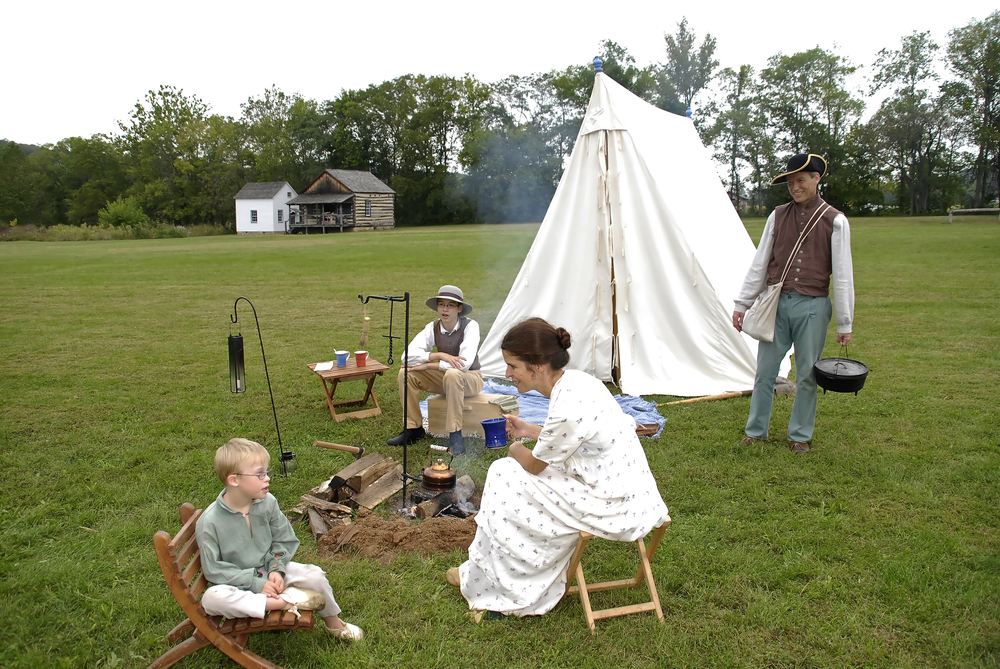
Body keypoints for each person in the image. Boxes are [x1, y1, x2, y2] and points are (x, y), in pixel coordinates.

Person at [445, 318, 669, 617]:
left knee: (504, 474)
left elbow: (535, 465)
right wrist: (528, 429)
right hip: (632, 490)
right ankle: (484, 576)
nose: (508, 373)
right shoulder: (578, 382)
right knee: (511, 478)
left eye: (513, 366)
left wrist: (514, 448)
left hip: (611, 502)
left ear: (537, 365)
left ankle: (508, 589)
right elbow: (576, 437)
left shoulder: (567, 403)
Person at [732, 153, 855, 455]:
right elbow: (760, 262)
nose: (795, 187)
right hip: (777, 303)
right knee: (765, 371)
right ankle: (755, 431)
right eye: (790, 182)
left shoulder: (835, 220)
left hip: (813, 307)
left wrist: (845, 321)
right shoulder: (777, 215)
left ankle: (800, 435)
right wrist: (742, 303)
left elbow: (842, 274)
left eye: (801, 180)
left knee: (807, 374)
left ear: (816, 179)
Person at [196, 438, 364, 640]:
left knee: (315, 575)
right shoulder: (210, 522)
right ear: (234, 480)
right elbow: (215, 570)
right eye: (259, 474)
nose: (267, 478)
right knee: (212, 599)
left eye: (267, 472)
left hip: (270, 570)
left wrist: (276, 569)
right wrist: (256, 584)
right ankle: (286, 602)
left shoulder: (267, 502)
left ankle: (334, 623)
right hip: (237, 583)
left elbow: (284, 540)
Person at [386, 285, 484, 455]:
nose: (445, 309)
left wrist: (428, 365)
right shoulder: (432, 327)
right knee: (405, 373)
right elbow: (406, 357)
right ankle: (413, 428)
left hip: (471, 379)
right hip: (446, 378)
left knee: (453, 374)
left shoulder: (470, 326)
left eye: (450, 305)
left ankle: (455, 433)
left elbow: (464, 364)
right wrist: (437, 355)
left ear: (459, 309)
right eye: (441, 304)